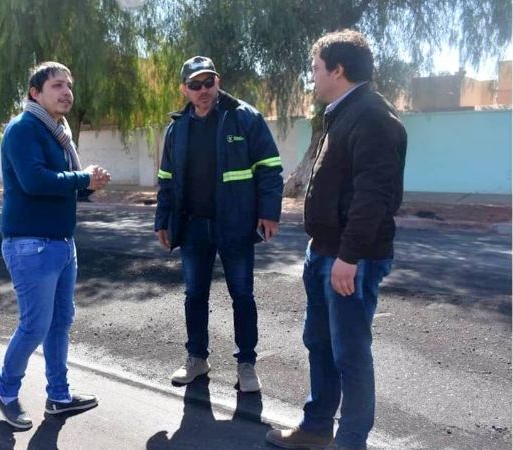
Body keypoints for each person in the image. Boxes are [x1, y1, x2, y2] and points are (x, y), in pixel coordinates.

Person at [265, 30, 407, 450]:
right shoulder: (343, 112)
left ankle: (350, 443)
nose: (312, 77)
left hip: (350, 260)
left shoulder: (372, 117)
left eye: (315, 68)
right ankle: (315, 429)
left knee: (351, 355)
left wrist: (349, 256)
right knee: (321, 344)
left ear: (337, 70)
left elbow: (374, 195)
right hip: (325, 252)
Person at [154, 56, 283, 392]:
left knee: (242, 294)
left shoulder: (244, 118)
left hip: (235, 224)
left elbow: (270, 167)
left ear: (217, 81)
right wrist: (162, 221)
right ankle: (197, 358)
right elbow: (166, 179)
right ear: (184, 89)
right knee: (194, 294)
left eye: (208, 82)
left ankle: (246, 365)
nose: (203, 90)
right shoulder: (177, 128)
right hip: (193, 226)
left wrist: (269, 212)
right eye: (195, 85)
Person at [0, 61, 111, 430]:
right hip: (30, 245)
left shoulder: (58, 132)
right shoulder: (24, 129)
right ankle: (6, 392)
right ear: (35, 93)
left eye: (69, 86)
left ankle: (59, 396)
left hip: (61, 244)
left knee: (61, 321)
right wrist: (82, 178)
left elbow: (60, 184)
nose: (66, 92)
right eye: (57, 85)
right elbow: (34, 181)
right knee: (34, 325)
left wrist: (87, 185)